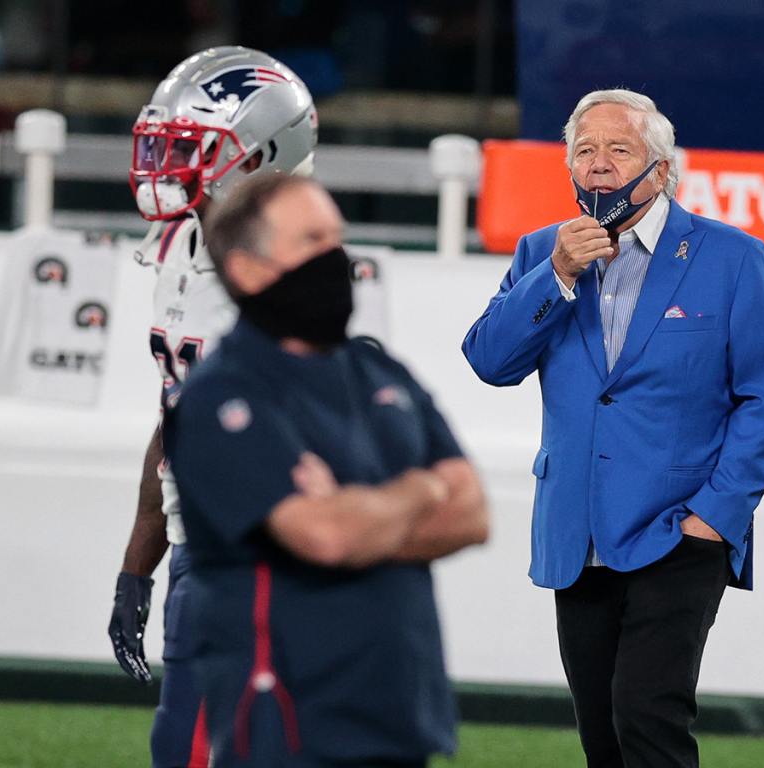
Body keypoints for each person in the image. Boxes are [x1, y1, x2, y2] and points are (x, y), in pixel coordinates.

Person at [462, 88, 764, 768]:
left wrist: (717, 516)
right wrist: (556, 274)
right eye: (585, 151)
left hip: (680, 529)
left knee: (648, 717)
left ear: (662, 169)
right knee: (603, 737)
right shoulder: (541, 253)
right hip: (576, 529)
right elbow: (490, 362)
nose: (600, 166)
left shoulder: (731, 257)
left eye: (619, 150)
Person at [161, 172, 488, 768]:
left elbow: (471, 514)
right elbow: (326, 536)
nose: (335, 257)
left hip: (400, 718)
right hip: (286, 728)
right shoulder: (222, 398)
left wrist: (359, 511)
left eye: (337, 237)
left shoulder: (378, 372)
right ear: (248, 270)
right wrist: (421, 487)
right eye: (312, 240)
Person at [107, 46, 318, 768]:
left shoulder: (294, 265)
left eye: (192, 148)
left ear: (265, 153)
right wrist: (140, 563)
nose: (168, 164)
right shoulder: (182, 238)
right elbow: (176, 416)